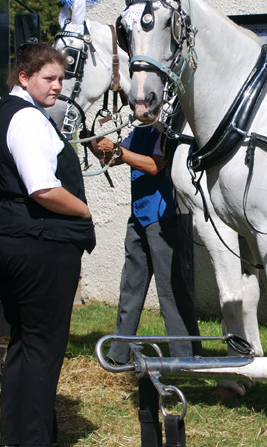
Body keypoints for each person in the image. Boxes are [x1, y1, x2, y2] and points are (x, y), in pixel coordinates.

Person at [0, 41, 96, 447]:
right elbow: (43, 189)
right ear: (24, 78)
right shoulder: (26, 119)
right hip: (35, 245)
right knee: (43, 347)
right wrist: (83, 210)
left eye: (62, 79)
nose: (57, 86)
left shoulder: (7, 111)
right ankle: (31, 439)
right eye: (48, 78)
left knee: (27, 342)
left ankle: (19, 436)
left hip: (12, 238)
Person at [86, 124, 201, 364]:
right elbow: (111, 158)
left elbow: (153, 165)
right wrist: (91, 139)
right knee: (130, 285)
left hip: (165, 218)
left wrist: (118, 150)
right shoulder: (140, 132)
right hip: (139, 216)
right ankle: (118, 353)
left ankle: (188, 357)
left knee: (172, 290)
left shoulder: (167, 131)